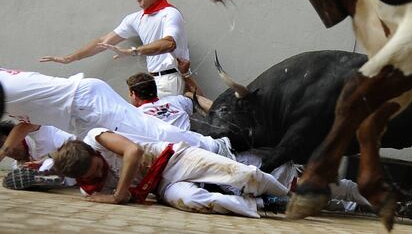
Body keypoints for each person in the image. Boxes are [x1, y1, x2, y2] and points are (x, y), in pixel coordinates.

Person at [0, 67, 234, 164]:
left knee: (148, 133)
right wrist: (4, 152)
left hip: (86, 101)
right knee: (113, 159)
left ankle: (215, 146)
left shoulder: (6, 86)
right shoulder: (11, 92)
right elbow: (27, 124)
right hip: (78, 118)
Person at [53, 128, 290, 218]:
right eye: (90, 177)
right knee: (193, 200)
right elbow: (98, 197)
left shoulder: (96, 138)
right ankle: (265, 205)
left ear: (94, 153)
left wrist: (118, 195)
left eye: (97, 167)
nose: (97, 176)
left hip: (172, 159)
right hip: (160, 187)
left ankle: (291, 198)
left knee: (243, 175)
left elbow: (133, 151)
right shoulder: (89, 188)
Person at [39, 0, 189, 97]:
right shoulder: (136, 18)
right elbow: (104, 42)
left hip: (169, 79)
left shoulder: (170, 13)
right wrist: (69, 58)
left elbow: (169, 43)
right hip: (153, 81)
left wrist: (132, 51)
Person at [0, 121, 76, 188]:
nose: (8, 152)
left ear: (14, 137)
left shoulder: (40, 133)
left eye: (4, 145)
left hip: (80, 163)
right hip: (74, 186)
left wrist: (48, 158)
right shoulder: (18, 167)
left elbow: (75, 147)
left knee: (49, 162)